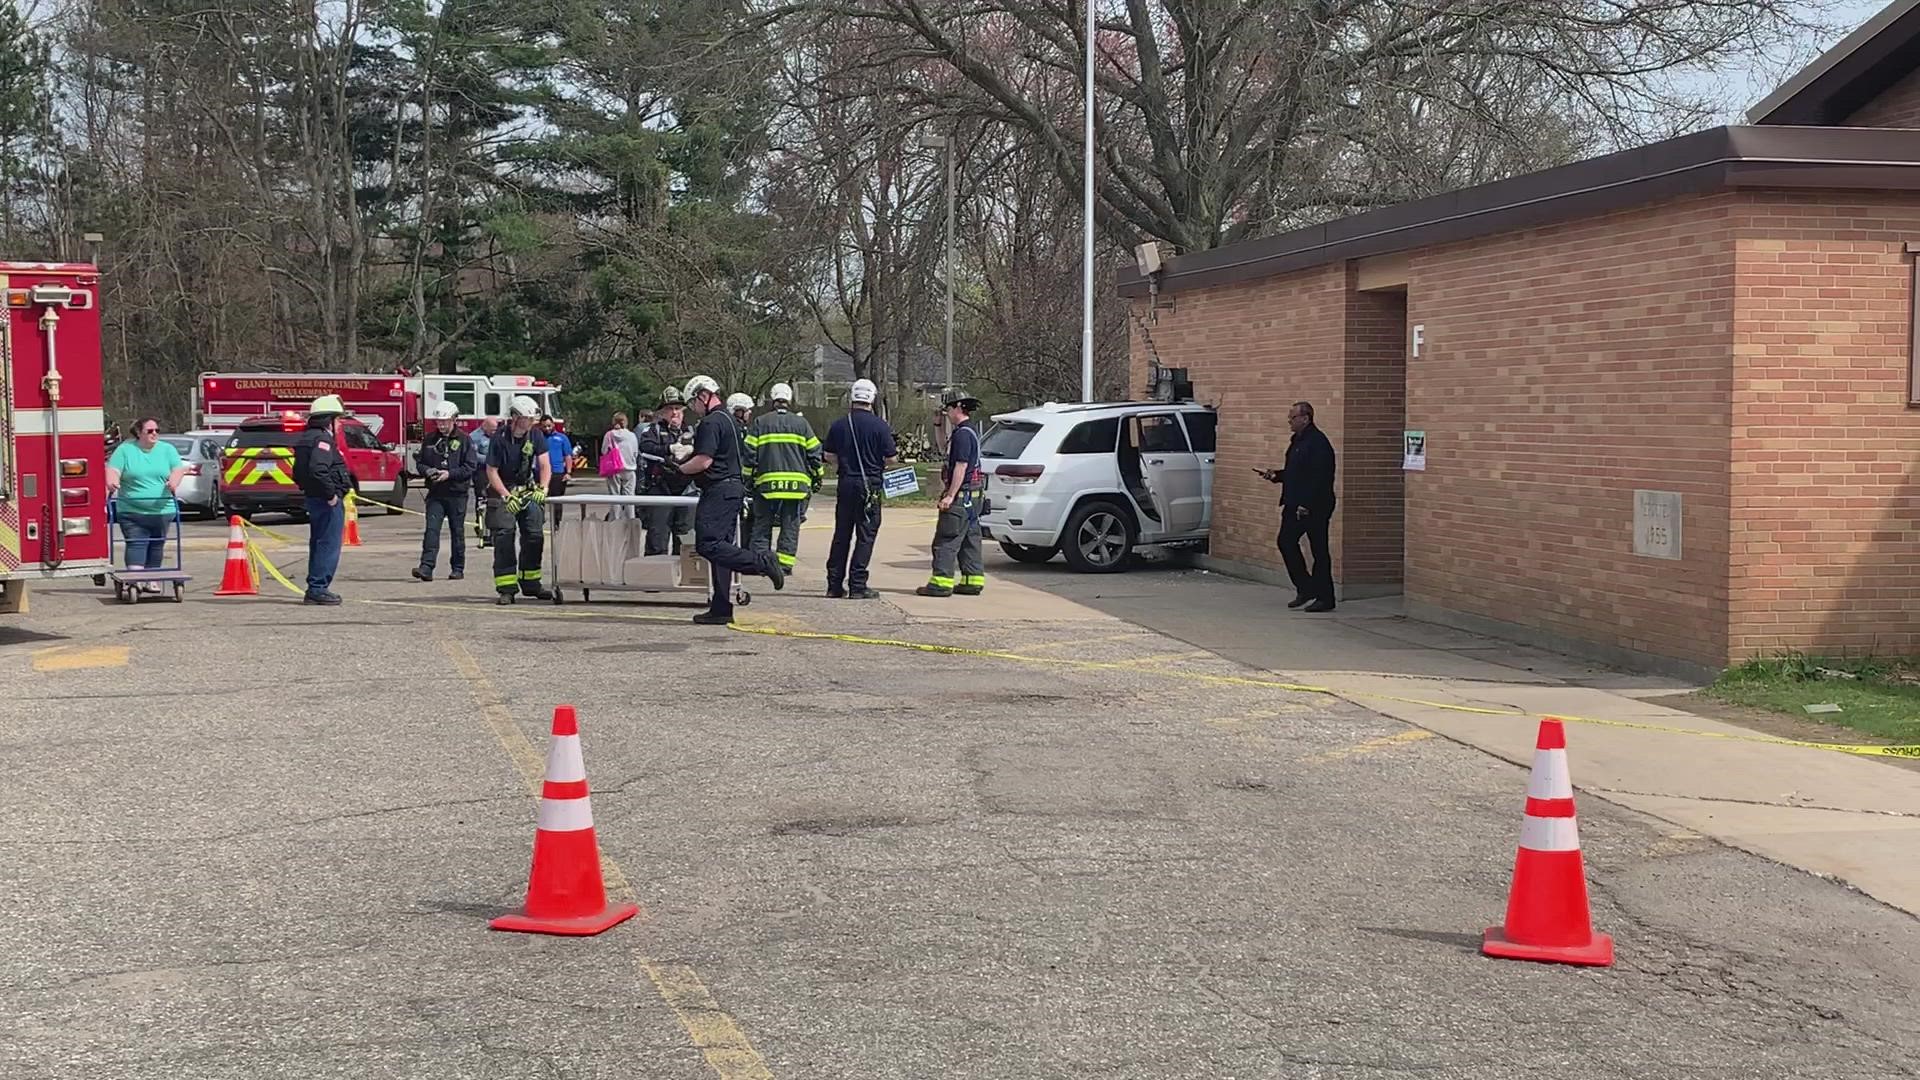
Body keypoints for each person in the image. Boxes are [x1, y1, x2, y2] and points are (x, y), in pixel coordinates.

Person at [678, 374, 784, 624]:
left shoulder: (711, 423)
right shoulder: (732, 422)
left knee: (709, 545)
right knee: (721, 549)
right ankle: (721, 607)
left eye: (692, 403)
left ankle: (761, 562)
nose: (692, 409)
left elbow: (704, 460)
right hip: (734, 487)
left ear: (703, 396)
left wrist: (679, 468)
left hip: (719, 490)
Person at [822, 378, 897, 599]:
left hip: (846, 483)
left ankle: (834, 585)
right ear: (872, 399)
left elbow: (828, 455)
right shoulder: (880, 426)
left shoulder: (839, 424)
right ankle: (858, 584)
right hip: (870, 485)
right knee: (866, 535)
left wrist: (844, 464)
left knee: (842, 534)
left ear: (852, 397)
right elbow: (891, 458)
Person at [1259, 400, 1337, 612]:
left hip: (1313, 505)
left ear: (1305, 418)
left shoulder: (1318, 443)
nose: (1289, 422)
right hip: (1294, 502)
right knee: (1286, 542)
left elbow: (1320, 477)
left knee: (1318, 550)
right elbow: (1296, 473)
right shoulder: (1298, 441)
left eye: (1292, 418)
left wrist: (1307, 504)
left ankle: (1325, 597)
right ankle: (1306, 587)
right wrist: (1277, 475)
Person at [744, 382, 822, 577]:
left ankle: (761, 563)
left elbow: (749, 454)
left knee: (762, 524)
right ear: (789, 400)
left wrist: (746, 479)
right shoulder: (802, 424)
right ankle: (784, 565)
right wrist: (817, 476)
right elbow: (814, 453)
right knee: (790, 525)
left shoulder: (760, 422)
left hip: (766, 486)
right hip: (796, 488)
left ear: (772, 399)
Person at [104, 417, 186, 593]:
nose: (154, 434)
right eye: (150, 431)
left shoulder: (167, 450)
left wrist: (174, 481)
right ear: (138, 433)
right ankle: (136, 578)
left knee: (157, 543)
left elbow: (177, 469)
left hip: (162, 509)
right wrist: (112, 482)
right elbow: (113, 470)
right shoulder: (125, 450)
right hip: (132, 509)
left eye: (156, 430)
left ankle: (152, 578)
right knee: (136, 542)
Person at [486, 395, 554, 605]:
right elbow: (491, 471)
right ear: (515, 417)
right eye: (527, 418)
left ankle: (531, 583)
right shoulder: (499, 439)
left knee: (534, 536)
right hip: (504, 492)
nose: (531, 423)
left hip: (528, 491)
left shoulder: (535, 435)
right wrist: (506, 496)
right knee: (505, 538)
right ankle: (507, 588)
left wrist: (543, 488)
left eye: (532, 419)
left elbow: (544, 464)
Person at [917, 394, 986, 597]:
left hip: (961, 496)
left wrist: (949, 495)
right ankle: (972, 580)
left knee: (946, 540)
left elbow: (960, 466)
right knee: (969, 539)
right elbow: (943, 451)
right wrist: (938, 425)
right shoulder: (968, 432)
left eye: (947, 409)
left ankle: (940, 583)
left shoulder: (962, 435)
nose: (946, 413)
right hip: (973, 498)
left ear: (958, 407)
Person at [291, 395, 354, 605]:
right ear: (329, 420)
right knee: (328, 544)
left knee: (318, 543)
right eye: (337, 420)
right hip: (326, 501)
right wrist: (331, 496)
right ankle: (318, 588)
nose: (339, 425)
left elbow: (297, 472)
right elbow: (318, 470)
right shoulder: (322, 439)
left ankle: (316, 587)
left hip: (313, 498)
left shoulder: (305, 438)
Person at [411, 401, 478, 582]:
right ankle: (426, 567)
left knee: (457, 531)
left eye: (445, 421)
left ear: (454, 420)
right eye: (439, 422)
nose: (441, 425)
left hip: (457, 493)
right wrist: (428, 471)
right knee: (431, 530)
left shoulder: (465, 440)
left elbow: (470, 466)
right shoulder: (430, 439)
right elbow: (421, 462)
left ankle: (457, 567)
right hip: (436, 493)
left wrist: (449, 474)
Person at [637, 388, 696, 555]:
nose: (674, 413)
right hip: (661, 489)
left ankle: (685, 576)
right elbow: (644, 449)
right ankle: (656, 575)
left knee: (686, 538)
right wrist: (668, 449)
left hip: (687, 490)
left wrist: (692, 450)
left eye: (678, 408)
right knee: (658, 536)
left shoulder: (693, 432)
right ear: (662, 412)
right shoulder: (652, 431)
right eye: (670, 409)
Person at [601, 412, 641, 517]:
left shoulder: (609, 435)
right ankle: (630, 520)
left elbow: (604, 451)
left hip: (614, 468)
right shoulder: (632, 435)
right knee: (630, 497)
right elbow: (635, 452)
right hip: (630, 468)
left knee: (615, 496)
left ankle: (615, 520)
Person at [541, 414, 574, 524]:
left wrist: (568, 472)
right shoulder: (538, 437)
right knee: (539, 499)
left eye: (549, 426)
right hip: (540, 474)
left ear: (553, 425)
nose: (547, 428)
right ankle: (539, 521)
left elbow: (568, 455)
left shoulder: (562, 438)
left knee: (557, 500)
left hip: (557, 473)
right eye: (544, 426)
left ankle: (557, 523)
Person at [472, 417, 498, 549]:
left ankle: (494, 525)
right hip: (482, 472)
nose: (494, 432)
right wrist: (489, 459)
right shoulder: (475, 437)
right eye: (492, 430)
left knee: (495, 499)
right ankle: (480, 526)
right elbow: (473, 455)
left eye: (496, 430)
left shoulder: (497, 435)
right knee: (482, 499)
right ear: (484, 426)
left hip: (496, 471)